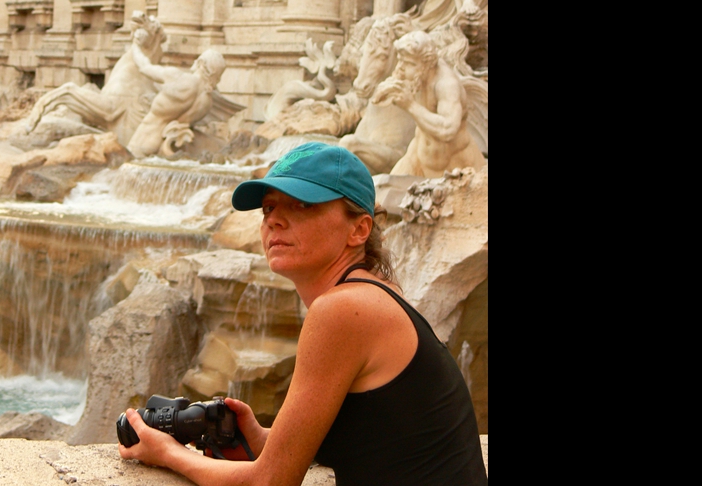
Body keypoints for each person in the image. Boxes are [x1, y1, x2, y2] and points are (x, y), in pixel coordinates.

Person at [118, 141, 487, 485]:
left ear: (359, 229)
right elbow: (381, 444)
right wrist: (264, 438)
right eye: (269, 208)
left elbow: (271, 481)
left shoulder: (344, 309)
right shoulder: (374, 293)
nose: (274, 220)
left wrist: (167, 454)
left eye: (302, 204)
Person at [370, 30, 485, 177]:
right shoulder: (416, 75)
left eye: (409, 63)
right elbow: (388, 86)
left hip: (456, 167)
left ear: (426, 64)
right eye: (400, 60)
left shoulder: (446, 84)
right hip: (417, 157)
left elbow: (448, 129)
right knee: (379, 196)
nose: (400, 68)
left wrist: (410, 105)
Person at [125, 47, 228, 158]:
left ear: (201, 63)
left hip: (143, 142)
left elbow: (145, 67)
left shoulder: (180, 78)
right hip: (167, 148)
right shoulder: (207, 102)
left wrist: (135, 47)